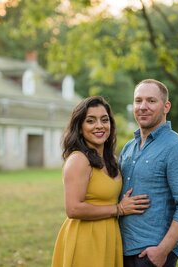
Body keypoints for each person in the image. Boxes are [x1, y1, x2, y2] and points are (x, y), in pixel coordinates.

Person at [51, 96, 150, 267]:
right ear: (80, 128)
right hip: (85, 239)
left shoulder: (111, 159)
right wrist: (119, 209)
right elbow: (73, 209)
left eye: (104, 120)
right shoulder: (78, 160)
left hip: (109, 236)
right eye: (90, 121)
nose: (99, 126)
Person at [119, 79, 178, 267]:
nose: (143, 107)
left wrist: (163, 250)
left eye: (151, 101)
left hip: (152, 255)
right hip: (121, 250)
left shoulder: (176, 148)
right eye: (138, 101)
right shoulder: (128, 148)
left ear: (166, 106)